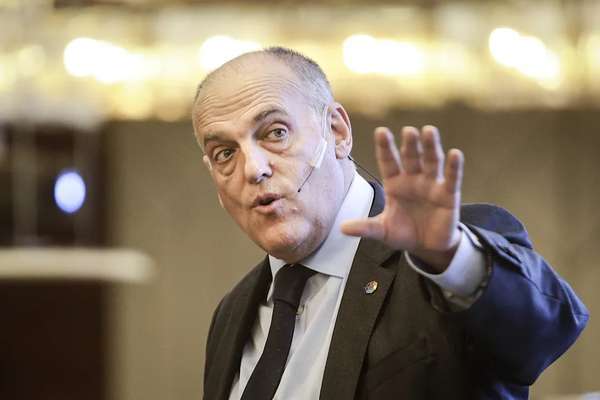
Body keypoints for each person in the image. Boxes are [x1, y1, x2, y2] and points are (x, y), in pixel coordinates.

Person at [192, 47, 588, 400]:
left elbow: (544, 332)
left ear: (337, 132)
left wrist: (450, 256)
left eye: (275, 133)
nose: (253, 169)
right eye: (225, 152)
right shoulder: (232, 312)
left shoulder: (440, 259)